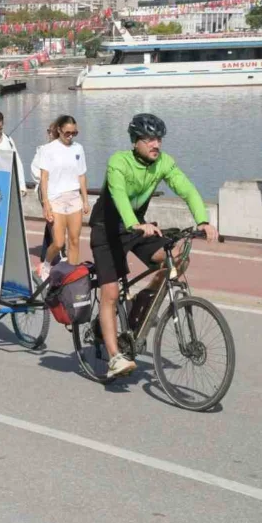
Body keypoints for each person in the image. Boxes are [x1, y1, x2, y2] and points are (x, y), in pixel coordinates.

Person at [90, 113, 218, 379]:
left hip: (136, 226)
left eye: (158, 139)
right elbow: (119, 195)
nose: (155, 144)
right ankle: (115, 357)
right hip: (107, 230)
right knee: (111, 294)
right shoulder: (118, 162)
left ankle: (141, 300)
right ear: (135, 141)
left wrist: (203, 221)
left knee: (177, 259)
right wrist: (134, 223)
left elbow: (187, 190)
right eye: (148, 139)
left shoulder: (163, 163)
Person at [39, 115, 88, 277]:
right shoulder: (48, 149)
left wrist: (85, 200)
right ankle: (46, 264)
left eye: (74, 133)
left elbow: (81, 175)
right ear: (59, 130)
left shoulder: (78, 149)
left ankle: (71, 274)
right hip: (55, 199)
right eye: (67, 132)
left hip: (74, 198)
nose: (70, 136)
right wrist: (46, 204)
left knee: (74, 241)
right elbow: (44, 178)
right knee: (59, 242)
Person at [30, 122, 61, 267]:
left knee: (54, 222)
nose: (49, 133)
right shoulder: (43, 150)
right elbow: (35, 172)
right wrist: (48, 178)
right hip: (46, 190)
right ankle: (59, 254)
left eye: (51, 131)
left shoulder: (65, 150)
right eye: (48, 131)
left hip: (61, 191)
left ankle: (45, 253)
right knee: (52, 221)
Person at [0, 109, 27, 194]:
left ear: (3, 124)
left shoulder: (9, 140)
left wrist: (22, 186)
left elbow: (17, 164)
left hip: (7, 183)